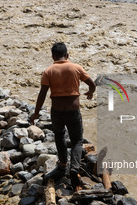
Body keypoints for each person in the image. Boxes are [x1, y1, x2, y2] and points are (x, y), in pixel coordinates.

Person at [30, 42, 96, 189]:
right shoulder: (76, 68)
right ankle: (74, 167)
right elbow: (92, 84)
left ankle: (62, 164)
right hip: (73, 111)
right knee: (77, 140)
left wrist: (36, 113)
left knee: (59, 135)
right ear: (67, 55)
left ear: (53, 56)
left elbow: (42, 94)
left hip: (57, 111)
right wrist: (90, 92)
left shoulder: (48, 71)